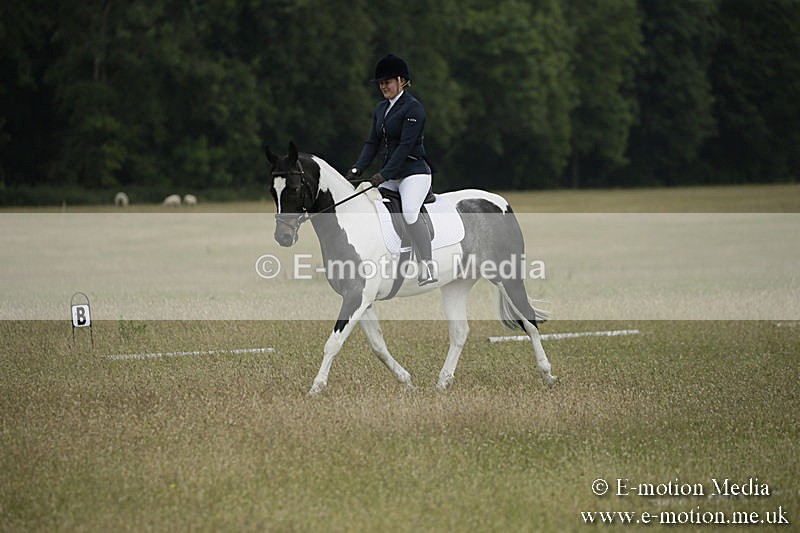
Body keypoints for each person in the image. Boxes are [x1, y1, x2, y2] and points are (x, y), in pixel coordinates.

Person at [345, 54, 438, 286]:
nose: (383, 86)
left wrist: (383, 174)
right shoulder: (380, 109)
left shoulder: (414, 109)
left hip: (414, 173)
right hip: (391, 174)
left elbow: (405, 148)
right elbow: (372, 143)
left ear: (401, 81)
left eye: (387, 82)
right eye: (380, 83)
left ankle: (427, 265)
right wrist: (357, 169)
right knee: (368, 207)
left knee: (408, 212)